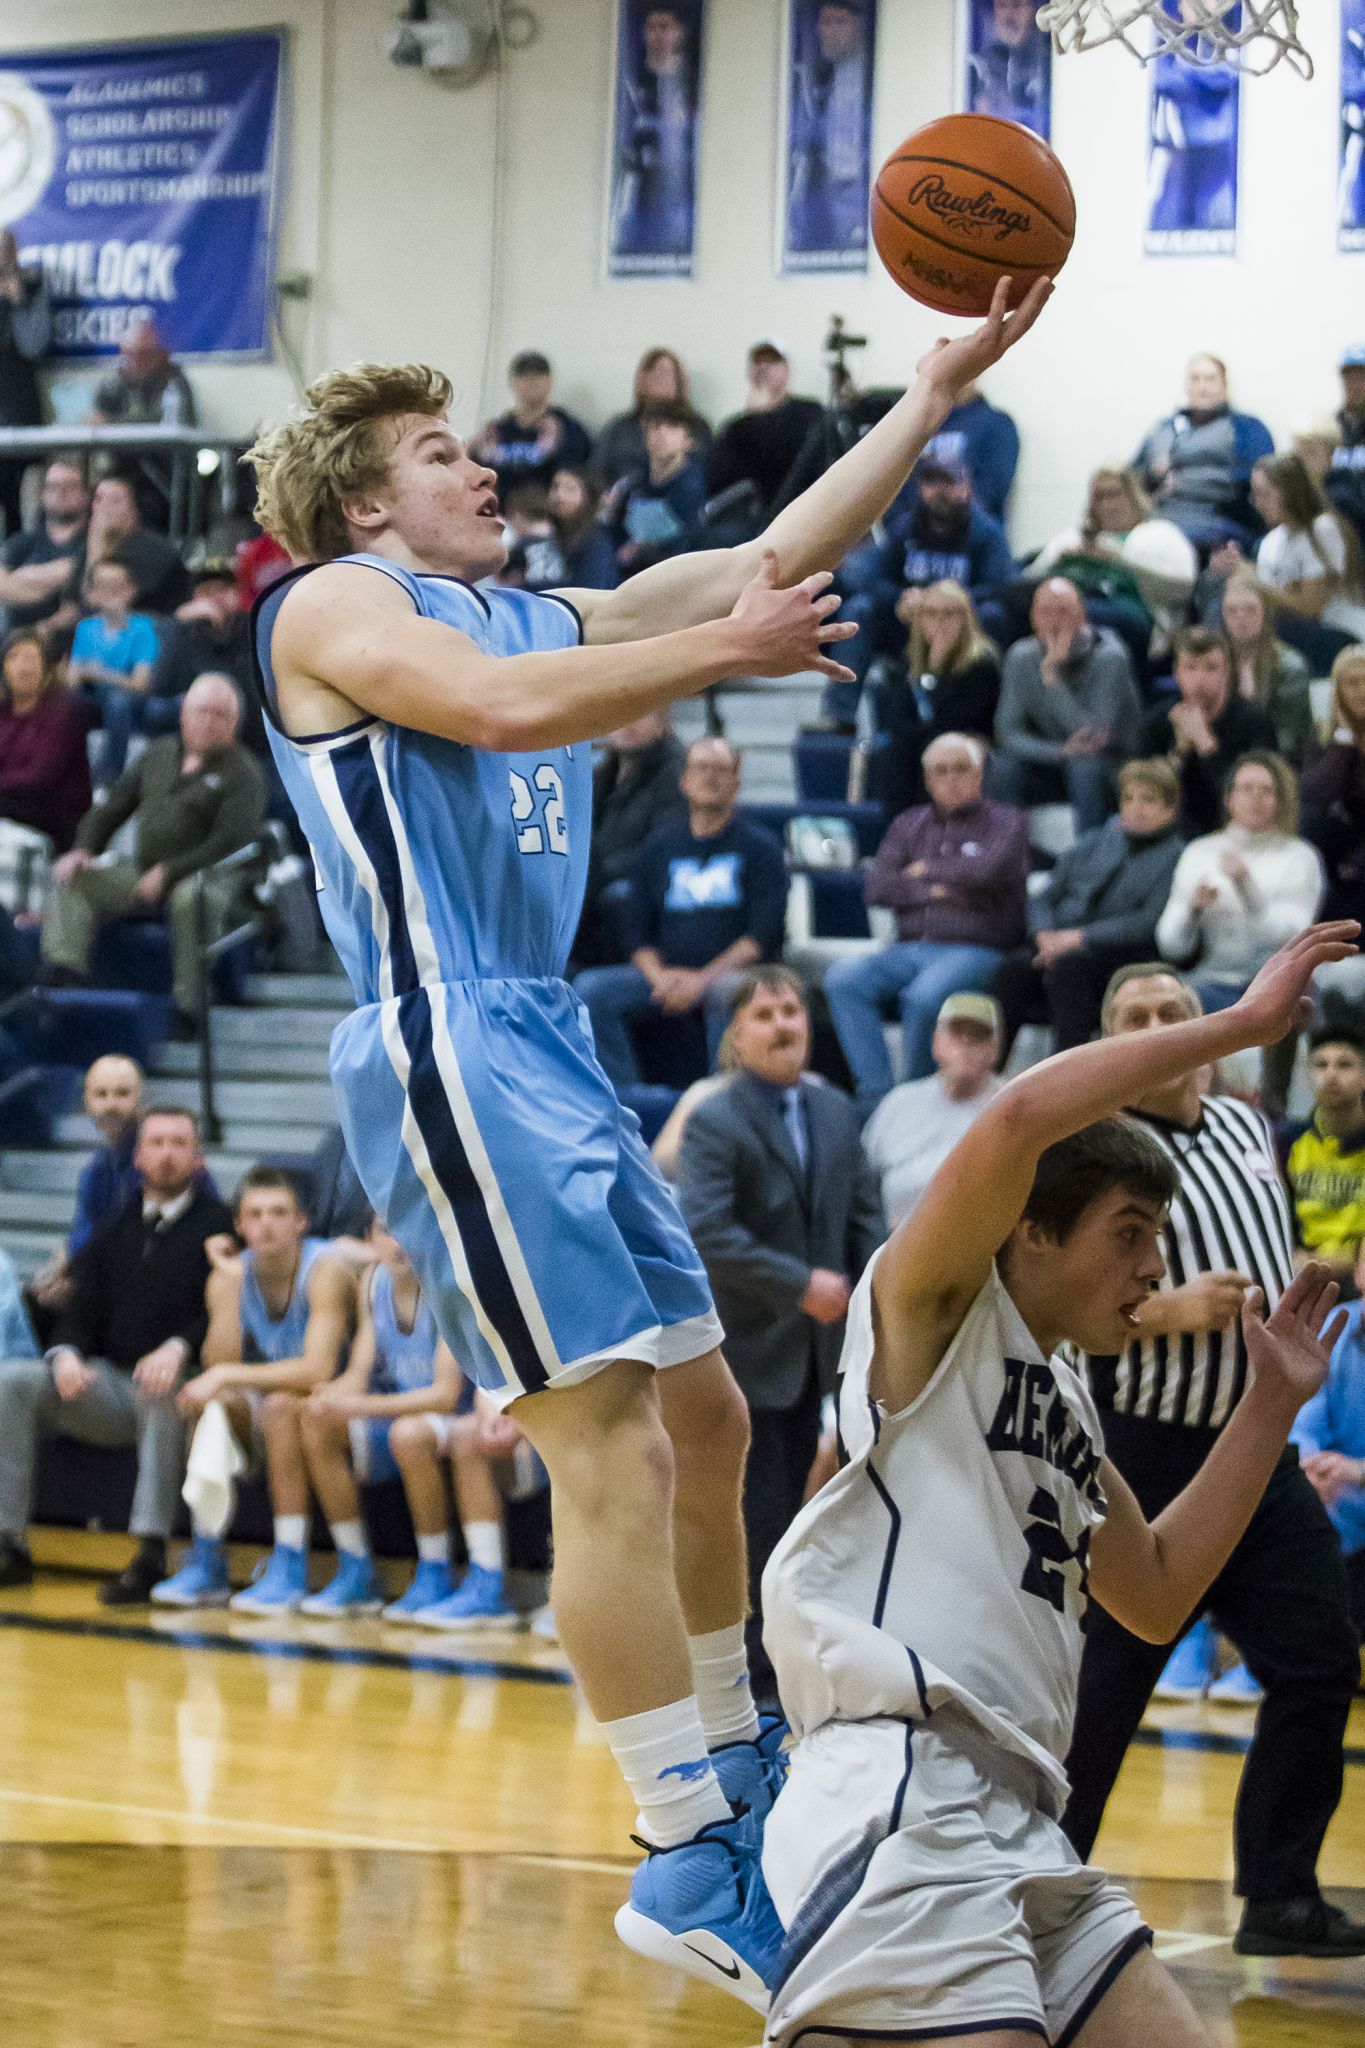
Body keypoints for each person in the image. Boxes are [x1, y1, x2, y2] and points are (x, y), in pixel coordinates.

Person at [242, 285, 1049, 2002]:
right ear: (370, 499)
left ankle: (737, 1753)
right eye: (447, 451)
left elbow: (763, 556)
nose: (490, 466)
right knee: (608, 1438)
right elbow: (507, 712)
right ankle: (685, 1838)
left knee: (705, 1402)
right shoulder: (335, 603)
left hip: (550, 1032)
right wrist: (723, 655)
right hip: (450, 1030)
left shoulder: (536, 606)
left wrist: (927, 395)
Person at [757, 924, 1358, 2046]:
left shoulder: (1071, 1405)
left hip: (1024, 1823)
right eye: (1132, 1233)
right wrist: (1232, 1026)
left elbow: (1160, 1588)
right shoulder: (935, 1313)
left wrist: (1270, 1401)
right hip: (903, 1793)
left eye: (1161, 1237)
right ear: (1028, 1230)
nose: (1153, 1266)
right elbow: (1020, 1120)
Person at [1061, 960, 1365, 1962]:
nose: (1158, 1026)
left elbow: (1262, 1243)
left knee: (1320, 1656)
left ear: (1209, 1027)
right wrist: (1166, 1311)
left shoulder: (1244, 1123)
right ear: (1111, 1038)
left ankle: (1279, 1892)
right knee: (1103, 1694)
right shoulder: (1094, 1142)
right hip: (1143, 1451)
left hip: (1257, 1447)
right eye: (1136, 1016)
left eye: (1174, 1012)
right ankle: (1039, 1891)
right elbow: (1057, 1294)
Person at [675, 966, 884, 1696]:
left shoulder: (834, 1113)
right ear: (736, 1032)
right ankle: (759, 1675)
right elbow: (707, 1230)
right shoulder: (714, 1118)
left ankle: (809, 1643)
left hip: (827, 1349)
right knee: (761, 1511)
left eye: (791, 1009)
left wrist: (869, 1291)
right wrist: (800, 1284)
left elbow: (863, 1214)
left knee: (814, 1509)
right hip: (747, 1350)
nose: (782, 1024)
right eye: (763, 1013)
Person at [0, 1106, 233, 1599]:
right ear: (138, 1157)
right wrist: (65, 1353)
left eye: (178, 1143)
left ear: (197, 1157)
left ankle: (150, 1553)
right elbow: (81, 1305)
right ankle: (9, 1544)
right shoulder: (116, 1223)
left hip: (179, 1380)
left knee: (160, 1390)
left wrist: (177, 1347)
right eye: (157, 1143)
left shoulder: (220, 1227)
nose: (167, 1154)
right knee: (13, 1381)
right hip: (108, 1385)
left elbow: (224, 1313)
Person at [151, 1168, 356, 1610]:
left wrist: (226, 1377)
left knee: (279, 1405)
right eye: (256, 1214)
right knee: (212, 1407)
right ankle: (207, 1560)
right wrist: (229, 1287)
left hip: (332, 1403)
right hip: (270, 1407)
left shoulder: (326, 1270)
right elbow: (217, 1365)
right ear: (239, 1227)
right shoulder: (230, 1274)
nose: (267, 1224)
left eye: (280, 1213)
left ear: (302, 1222)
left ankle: (291, 1564)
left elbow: (317, 1369)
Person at [41, 676, 267, 1030]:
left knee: (192, 898)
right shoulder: (158, 754)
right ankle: (66, 972)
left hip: (213, 877)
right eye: (201, 711)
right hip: (145, 868)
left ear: (235, 723)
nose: (209, 720)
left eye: (220, 715)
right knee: (76, 877)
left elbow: (228, 842)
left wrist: (170, 871)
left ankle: (190, 1006)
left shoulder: (245, 773)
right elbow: (113, 807)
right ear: (183, 714)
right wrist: (84, 848)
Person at [824, 733, 1030, 1103]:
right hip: (907, 947)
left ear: (979, 774)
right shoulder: (909, 823)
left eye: (960, 769)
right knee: (842, 978)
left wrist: (924, 871)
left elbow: (987, 872)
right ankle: (876, 1094)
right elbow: (876, 888)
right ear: (928, 778)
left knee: (923, 998)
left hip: (977, 948)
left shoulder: (1008, 821)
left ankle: (914, 1098)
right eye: (940, 771)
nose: (950, 779)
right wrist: (939, 888)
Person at [576, 735, 787, 1085]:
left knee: (730, 992)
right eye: (702, 768)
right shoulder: (659, 845)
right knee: (591, 989)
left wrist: (703, 980)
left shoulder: (761, 847)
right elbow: (636, 930)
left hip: (729, 975)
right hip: (665, 977)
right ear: (684, 781)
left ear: (736, 783)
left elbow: (760, 937)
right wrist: (660, 978)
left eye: (721, 770)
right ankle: (624, 1098)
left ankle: (721, 1099)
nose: (710, 777)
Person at [299, 1225, 472, 1620]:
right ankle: (355, 1568)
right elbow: (360, 1371)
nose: (399, 1241)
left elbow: (445, 1396)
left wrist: (357, 1407)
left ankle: (436, 1570)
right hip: (397, 1415)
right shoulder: (373, 1282)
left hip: (456, 1418)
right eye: (386, 1231)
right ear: (372, 1239)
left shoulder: (451, 1288)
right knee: (315, 1420)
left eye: (407, 1226)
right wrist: (331, 1397)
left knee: (408, 1434)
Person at [993, 756, 1185, 1055]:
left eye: (1148, 800)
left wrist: (1078, 938)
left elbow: (1146, 922)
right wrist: (1044, 934)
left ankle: (1066, 1079)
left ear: (1169, 809)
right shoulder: (1094, 841)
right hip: (1056, 944)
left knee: (1071, 968)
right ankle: (990, 1072)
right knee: (1013, 968)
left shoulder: (1177, 857)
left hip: (1118, 955)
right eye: (1129, 798)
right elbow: (1044, 896)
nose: (1135, 807)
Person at [831, 457, 1015, 727]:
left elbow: (1000, 588)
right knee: (859, 610)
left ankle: (989, 719)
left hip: (962, 626)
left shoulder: (986, 532)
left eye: (948, 482)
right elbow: (873, 579)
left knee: (994, 615)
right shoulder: (904, 527)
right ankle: (840, 715)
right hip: (909, 624)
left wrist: (945, 602)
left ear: (965, 486)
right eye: (931, 482)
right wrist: (899, 599)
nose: (939, 490)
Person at [1156, 751, 1324, 1015]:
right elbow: (1170, 946)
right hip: (1209, 982)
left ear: (1280, 800)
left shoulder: (1300, 856)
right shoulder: (1200, 852)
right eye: (1246, 788)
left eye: (1266, 790)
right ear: (1229, 799)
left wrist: (1247, 887)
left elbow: (1293, 936)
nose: (1256, 797)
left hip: (1278, 985)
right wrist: (1191, 911)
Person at [991, 576, 1142, 830]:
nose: (1054, 621)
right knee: (1004, 766)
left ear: (1082, 614)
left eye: (1064, 612)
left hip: (1112, 761)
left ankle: (1089, 854)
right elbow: (1008, 733)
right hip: (1056, 757)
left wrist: (1052, 678)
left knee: (1083, 768)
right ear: (1033, 618)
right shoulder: (1020, 657)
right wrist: (1057, 752)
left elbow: (1091, 737)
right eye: (1045, 612)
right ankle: (1009, 853)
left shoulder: (1109, 656)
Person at [860, 990, 1005, 1227]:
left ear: (995, 1049)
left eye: (978, 1035)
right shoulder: (900, 1101)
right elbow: (862, 1183)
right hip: (891, 1244)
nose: (966, 1043)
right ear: (936, 1041)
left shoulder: (1010, 1108)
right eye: (957, 1032)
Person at [873, 578, 1002, 812]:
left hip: (969, 742)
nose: (940, 622)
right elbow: (897, 718)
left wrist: (937, 671)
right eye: (931, 614)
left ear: (965, 619)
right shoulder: (912, 662)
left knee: (932, 750)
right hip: (922, 740)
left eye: (949, 614)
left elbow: (956, 721)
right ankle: (903, 830)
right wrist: (929, 668)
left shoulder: (982, 663)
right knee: (895, 750)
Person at [1138, 626, 1277, 836]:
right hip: (1170, 829)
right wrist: (1179, 751)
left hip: (1232, 827)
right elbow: (1145, 793)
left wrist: (1205, 743)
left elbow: (1248, 799)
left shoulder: (1253, 720)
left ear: (1226, 673)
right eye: (1191, 668)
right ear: (1177, 673)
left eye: (1211, 668)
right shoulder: (1158, 720)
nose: (1200, 679)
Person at [576, 709, 687, 967]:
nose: (627, 723)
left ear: (663, 722)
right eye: (622, 713)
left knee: (616, 895)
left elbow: (662, 848)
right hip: (597, 880)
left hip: (645, 888)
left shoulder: (676, 774)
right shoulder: (602, 774)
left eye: (641, 713)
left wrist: (594, 875)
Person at [1133, 352, 1274, 551]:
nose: (1202, 387)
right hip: (1157, 519)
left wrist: (1185, 481)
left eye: (1210, 379)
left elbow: (1257, 480)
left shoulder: (1246, 428)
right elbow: (1131, 478)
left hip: (1214, 523)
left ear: (1224, 386)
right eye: (1195, 379)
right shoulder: (1163, 428)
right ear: (1186, 386)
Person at [1294, 1252, 1365, 1634]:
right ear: (1358, 1272)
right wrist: (1310, 1466)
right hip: (1337, 1501)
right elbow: (1305, 1423)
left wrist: (1359, 1472)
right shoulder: (1333, 1330)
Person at [1240, 452, 1365, 656]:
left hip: (1340, 632)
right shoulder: (1270, 542)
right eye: (1255, 495)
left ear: (1290, 493)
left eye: (1265, 494)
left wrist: (1254, 581)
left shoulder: (1323, 529)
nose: (1258, 504)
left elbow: (1311, 607)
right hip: (1293, 636)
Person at [610, 5, 699, 265]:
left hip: (680, 189)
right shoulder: (628, 81)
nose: (657, 35)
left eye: (665, 27)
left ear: (679, 33)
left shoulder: (692, 83)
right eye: (651, 28)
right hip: (637, 189)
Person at [786, 1, 874, 261]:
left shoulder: (873, 73)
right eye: (825, 23)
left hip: (860, 190)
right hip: (820, 192)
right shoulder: (812, 75)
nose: (830, 31)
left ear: (859, 25)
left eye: (839, 22)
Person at [706, 341, 825, 524]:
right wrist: (754, 420)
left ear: (786, 370)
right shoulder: (736, 427)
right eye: (757, 362)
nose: (763, 368)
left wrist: (762, 419)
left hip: (804, 511)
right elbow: (718, 478)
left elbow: (792, 461)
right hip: (751, 519)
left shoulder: (810, 412)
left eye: (771, 362)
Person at [1280, 1027, 1365, 1285]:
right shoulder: (1287, 1142)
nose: (1331, 1075)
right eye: (1320, 1065)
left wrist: (1346, 1261)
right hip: (1301, 1270)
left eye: (1345, 1065)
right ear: (1307, 1076)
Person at [65, 556, 160, 785]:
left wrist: (101, 674)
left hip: (128, 701)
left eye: (116, 587)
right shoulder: (86, 627)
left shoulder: (143, 628)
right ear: (92, 592)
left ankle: (108, 776)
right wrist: (76, 676)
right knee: (65, 701)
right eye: (102, 587)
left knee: (118, 703)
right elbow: (72, 679)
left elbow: (141, 683)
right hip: (94, 697)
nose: (109, 593)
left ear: (130, 591)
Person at [0, 628, 91, 851]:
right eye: (14, 657)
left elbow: (40, 777)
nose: (23, 665)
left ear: (48, 670)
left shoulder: (64, 712)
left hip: (51, 812)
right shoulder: (4, 712)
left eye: (31, 657)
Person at [1218, 570, 1314, 765]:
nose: (1241, 617)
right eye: (1232, 610)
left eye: (1250, 609)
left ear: (1266, 613)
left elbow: (1287, 737)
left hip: (1277, 760)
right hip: (1222, 757)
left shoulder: (1290, 665)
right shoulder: (1215, 660)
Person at [146, 563, 253, 732]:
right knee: (157, 708)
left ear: (237, 594)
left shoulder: (251, 625)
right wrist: (178, 623)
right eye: (207, 591)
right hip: (191, 704)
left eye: (222, 590)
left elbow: (238, 682)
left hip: (242, 708)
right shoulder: (184, 628)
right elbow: (160, 686)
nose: (215, 597)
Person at [1301, 644, 1365, 924]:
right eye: (1352, 683)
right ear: (1338, 690)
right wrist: (1345, 742)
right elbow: (1314, 792)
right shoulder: (1326, 742)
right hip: (1341, 847)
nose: (1362, 691)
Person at [470, 351, 592, 498]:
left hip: (545, 516)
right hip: (498, 513)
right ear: (511, 382)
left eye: (538, 374)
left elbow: (575, 482)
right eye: (523, 374)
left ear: (550, 381)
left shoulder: (568, 430)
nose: (531, 380)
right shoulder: (497, 430)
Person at [606, 401, 706, 574]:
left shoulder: (697, 489)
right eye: (655, 427)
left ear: (688, 440)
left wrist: (643, 551)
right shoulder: (632, 486)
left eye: (672, 427)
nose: (661, 433)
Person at [593, 348, 710, 492]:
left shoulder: (696, 426)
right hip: (620, 501)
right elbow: (596, 471)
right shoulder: (620, 427)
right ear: (642, 380)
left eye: (668, 374)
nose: (662, 380)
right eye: (655, 373)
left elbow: (706, 470)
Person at [0, 230, 53, 541]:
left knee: (22, 510)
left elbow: (35, 346)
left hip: (20, 416)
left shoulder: (32, 285)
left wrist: (18, 301)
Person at [0, 456, 88, 639]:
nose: (61, 493)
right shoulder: (23, 541)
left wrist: (23, 577)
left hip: (74, 645)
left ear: (85, 493)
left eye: (69, 486)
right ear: (43, 494)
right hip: (17, 646)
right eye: (53, 486)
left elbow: (88, 581)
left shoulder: (92, 539)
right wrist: (67, 576)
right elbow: (3, 588)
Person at [81, 474, 192, 618]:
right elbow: (75, 603)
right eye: (98, 499)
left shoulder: (151, 548)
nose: (104, 507)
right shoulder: (91, 546)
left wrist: (96, 546)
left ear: (135, 508)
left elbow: (101, 602)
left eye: (115, 500)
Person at [919, 378, 1020, 525]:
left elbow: (991, 493)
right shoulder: (922, 425)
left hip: (972, 536)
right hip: (915, 536)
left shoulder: (996, 424)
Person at [87, 319, 196, 428]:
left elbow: (168, 421)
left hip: (164, 445)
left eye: (143, 355)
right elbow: (98, 418)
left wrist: (112, 422)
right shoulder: (113, 383)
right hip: (121, 445)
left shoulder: (173, 379)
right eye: (129, 354)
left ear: (158, 355)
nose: (135, 361)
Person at [526, 469, 619, 593]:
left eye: (570, 489)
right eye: (555, 487)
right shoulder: (539, 540)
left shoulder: (596, 543)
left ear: (588, 497)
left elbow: (591, 594)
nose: (559, 496)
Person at [967, 0, 1051, 129]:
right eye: (1002, 5)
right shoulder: (977, 64)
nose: (1009, 14)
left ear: (1033, 10)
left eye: (1017, 5)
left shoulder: (1048, 64)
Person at [1325, 342, 1365, 550]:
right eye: (1349, 377)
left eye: (1361, 377)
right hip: (1331, 528)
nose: (1355, 384)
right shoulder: (1326, 429)